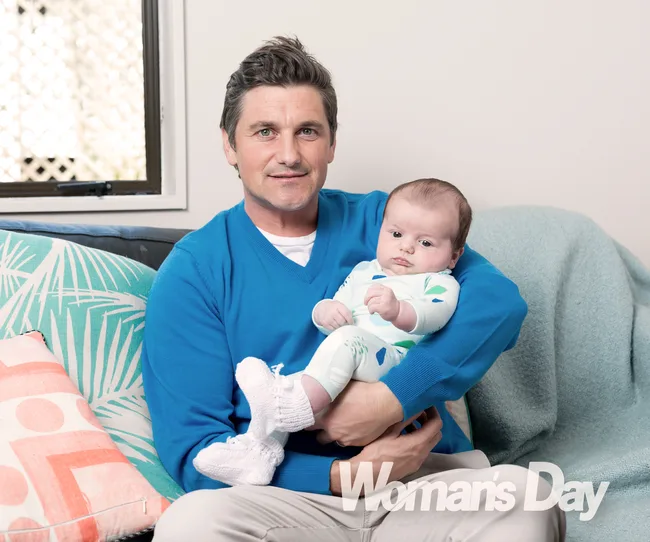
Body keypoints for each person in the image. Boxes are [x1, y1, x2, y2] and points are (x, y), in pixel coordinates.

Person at [142, 36, 566, 541]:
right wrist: (344, 475)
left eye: (307, 131)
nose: (288, 154)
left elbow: (498, 304)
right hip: (286, 500)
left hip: (422, 480)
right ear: (230, 144)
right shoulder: (195, 269)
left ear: (332, 143)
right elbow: (195, 449)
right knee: (189, 525)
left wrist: (392, 398)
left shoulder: (386, 223)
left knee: (526, 496)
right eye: (265, 132)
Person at [192, 178, 471, 487]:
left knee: (345, 343)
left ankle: (292, 410)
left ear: (453, 256)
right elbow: (338, 307)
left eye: (426, 243)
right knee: (290, 385)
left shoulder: (439, 282)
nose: (406, 247)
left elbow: (435, 315)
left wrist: (398, 310)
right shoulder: (364, 271)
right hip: (350, 363)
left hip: (392, 361)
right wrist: (324, 312)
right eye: (396, 234)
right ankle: (259, 452)